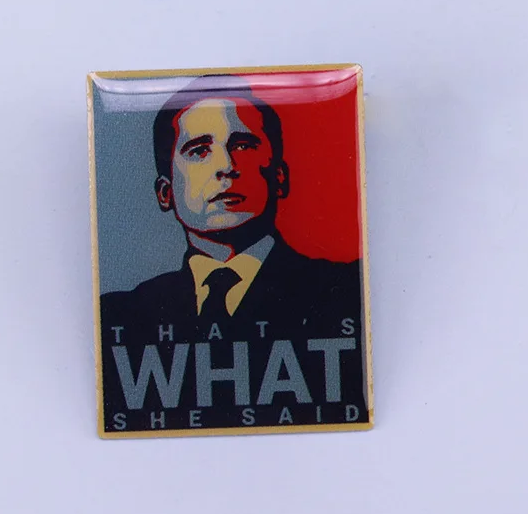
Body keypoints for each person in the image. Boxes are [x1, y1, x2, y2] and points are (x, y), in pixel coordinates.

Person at [98, 75, 368, 429]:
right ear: (166, 192)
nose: (225, 166)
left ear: (280, 176)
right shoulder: (120, 317)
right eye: (199, 151)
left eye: (242, 145)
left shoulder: (347, 292)